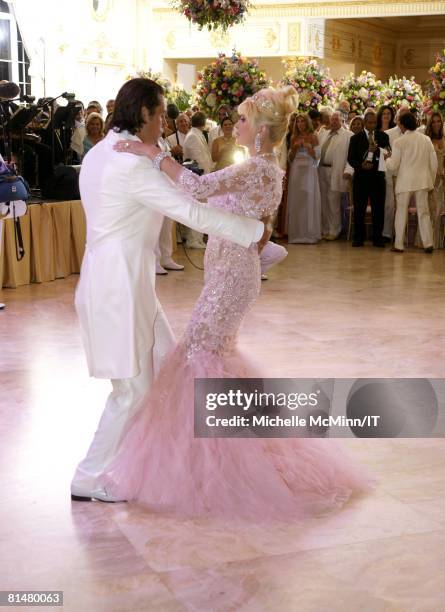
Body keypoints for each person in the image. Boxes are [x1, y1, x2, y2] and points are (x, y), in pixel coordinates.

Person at [102, 86, 377, 521]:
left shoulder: (259, 169)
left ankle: (219, 467)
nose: (237, 126)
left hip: (232, 275)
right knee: (210, 356)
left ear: (263, 131)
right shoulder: (261, 168)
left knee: (200, 356)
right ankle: (227, 454)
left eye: (245, 120)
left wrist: (151, 152)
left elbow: (196, 186)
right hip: (228, 269)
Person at [70, 78, 266, 502]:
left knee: (167, 370)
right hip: (117, 289)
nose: (163, 123)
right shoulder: (128, 164)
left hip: (126, 284)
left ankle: (148, 462)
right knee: (132, 390)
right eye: (159, 115)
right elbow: (191, 211)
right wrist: (251, 230)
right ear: (143, 114)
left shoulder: (102, 153)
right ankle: (89, 477)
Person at [386, 112, 437, 253]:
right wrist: (431, 181)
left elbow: (393, 165)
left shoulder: (399, 142)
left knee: (401, 212)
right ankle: (428, 244)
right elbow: (434, 163)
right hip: (422, 180)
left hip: (405, 181)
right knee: (424, 212)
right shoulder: (426, 139)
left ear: (403, 125)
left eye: (399, 124)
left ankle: (398, 245)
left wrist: (387, 159)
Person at [347, 111, 389, 247]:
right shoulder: (355, 138)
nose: (372, 125)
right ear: (365, 123)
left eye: (374, 122)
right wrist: (361, 165)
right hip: (361, 178)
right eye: (370, 122)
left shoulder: (383, 136)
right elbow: (351, 158)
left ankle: (378, 238)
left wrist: (380, 153)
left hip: (377, 178)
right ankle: (359, 237)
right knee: (359, 208)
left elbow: (387, 153)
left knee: (378, 209)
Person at [286, 113, 321, 243]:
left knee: (309, 199)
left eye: (302, 121)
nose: (300, 124)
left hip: (310, 170)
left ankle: (309, 234)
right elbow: (290, 159)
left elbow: (318, 158)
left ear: (307, 123)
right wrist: (294, 149)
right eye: (298, 122)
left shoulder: (313, 136)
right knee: (297, 200)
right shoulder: (294, 137)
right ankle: (296, 234)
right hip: (296, 170)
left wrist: (309, 148)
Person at [318, 111, 352, 240]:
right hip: (322, 170)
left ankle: (334, 230)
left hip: (336, 171)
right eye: (332, 119)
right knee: (324, 202)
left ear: (342, 121)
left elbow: (350, 156)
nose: (333, 122)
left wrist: (348, 170)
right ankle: (325, 229)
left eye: (336, 120)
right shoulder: (324, 134)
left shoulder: (348, 136)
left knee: (333, 202)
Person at [182, 111, 214, 248]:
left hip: (203, 177)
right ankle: (193, 239)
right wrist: (205, 175)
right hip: (197, 177)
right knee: (197, 209)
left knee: (202, 209)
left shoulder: (197, 133)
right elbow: (197, 159)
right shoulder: (192, 136)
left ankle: (199, 238)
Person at [425, 112, 445, 248]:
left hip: (443, 180)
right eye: (434, 121)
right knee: (432, 211)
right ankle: (428, 242)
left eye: (439, 121)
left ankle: (439, 242)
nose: (437, 124)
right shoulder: (426, 140)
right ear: (430, 124)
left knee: (440, 211)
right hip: (431, 180)